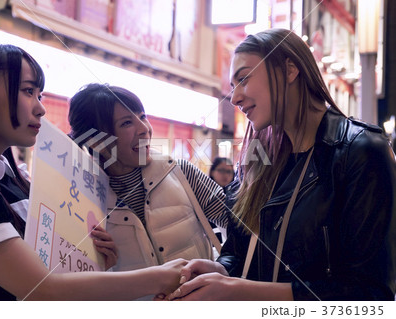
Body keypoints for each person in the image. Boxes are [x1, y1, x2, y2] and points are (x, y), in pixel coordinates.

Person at [167, 28, 396, 301]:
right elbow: (238, 253)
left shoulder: (359, 151)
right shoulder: (257, 162)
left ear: (289, 70)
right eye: (233, 86)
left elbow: (370, 294)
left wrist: (239, 291)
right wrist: (220, 270)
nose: (235, 98)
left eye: (244, 79)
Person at [0, 42, 186, 300]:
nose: (41, 108)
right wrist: (160, 277)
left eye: (40, 95)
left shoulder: (13, 182)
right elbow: (43, 289)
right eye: (28, 91)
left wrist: (92, 263)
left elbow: (47, 278)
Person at [68, 83, 229, 273]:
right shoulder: (82, 199)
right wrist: (104, 269)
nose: (145, 128)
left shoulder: (180, 172)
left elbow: (239, 227)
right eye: (127, 123)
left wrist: (224, 268)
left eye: (142, 116)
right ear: (97, 142)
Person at [208, 157, 235, 243]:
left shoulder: (234, 195)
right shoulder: (205, 193)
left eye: (229, 171)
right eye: (221, 170)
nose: (225, 175)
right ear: (212, 172)